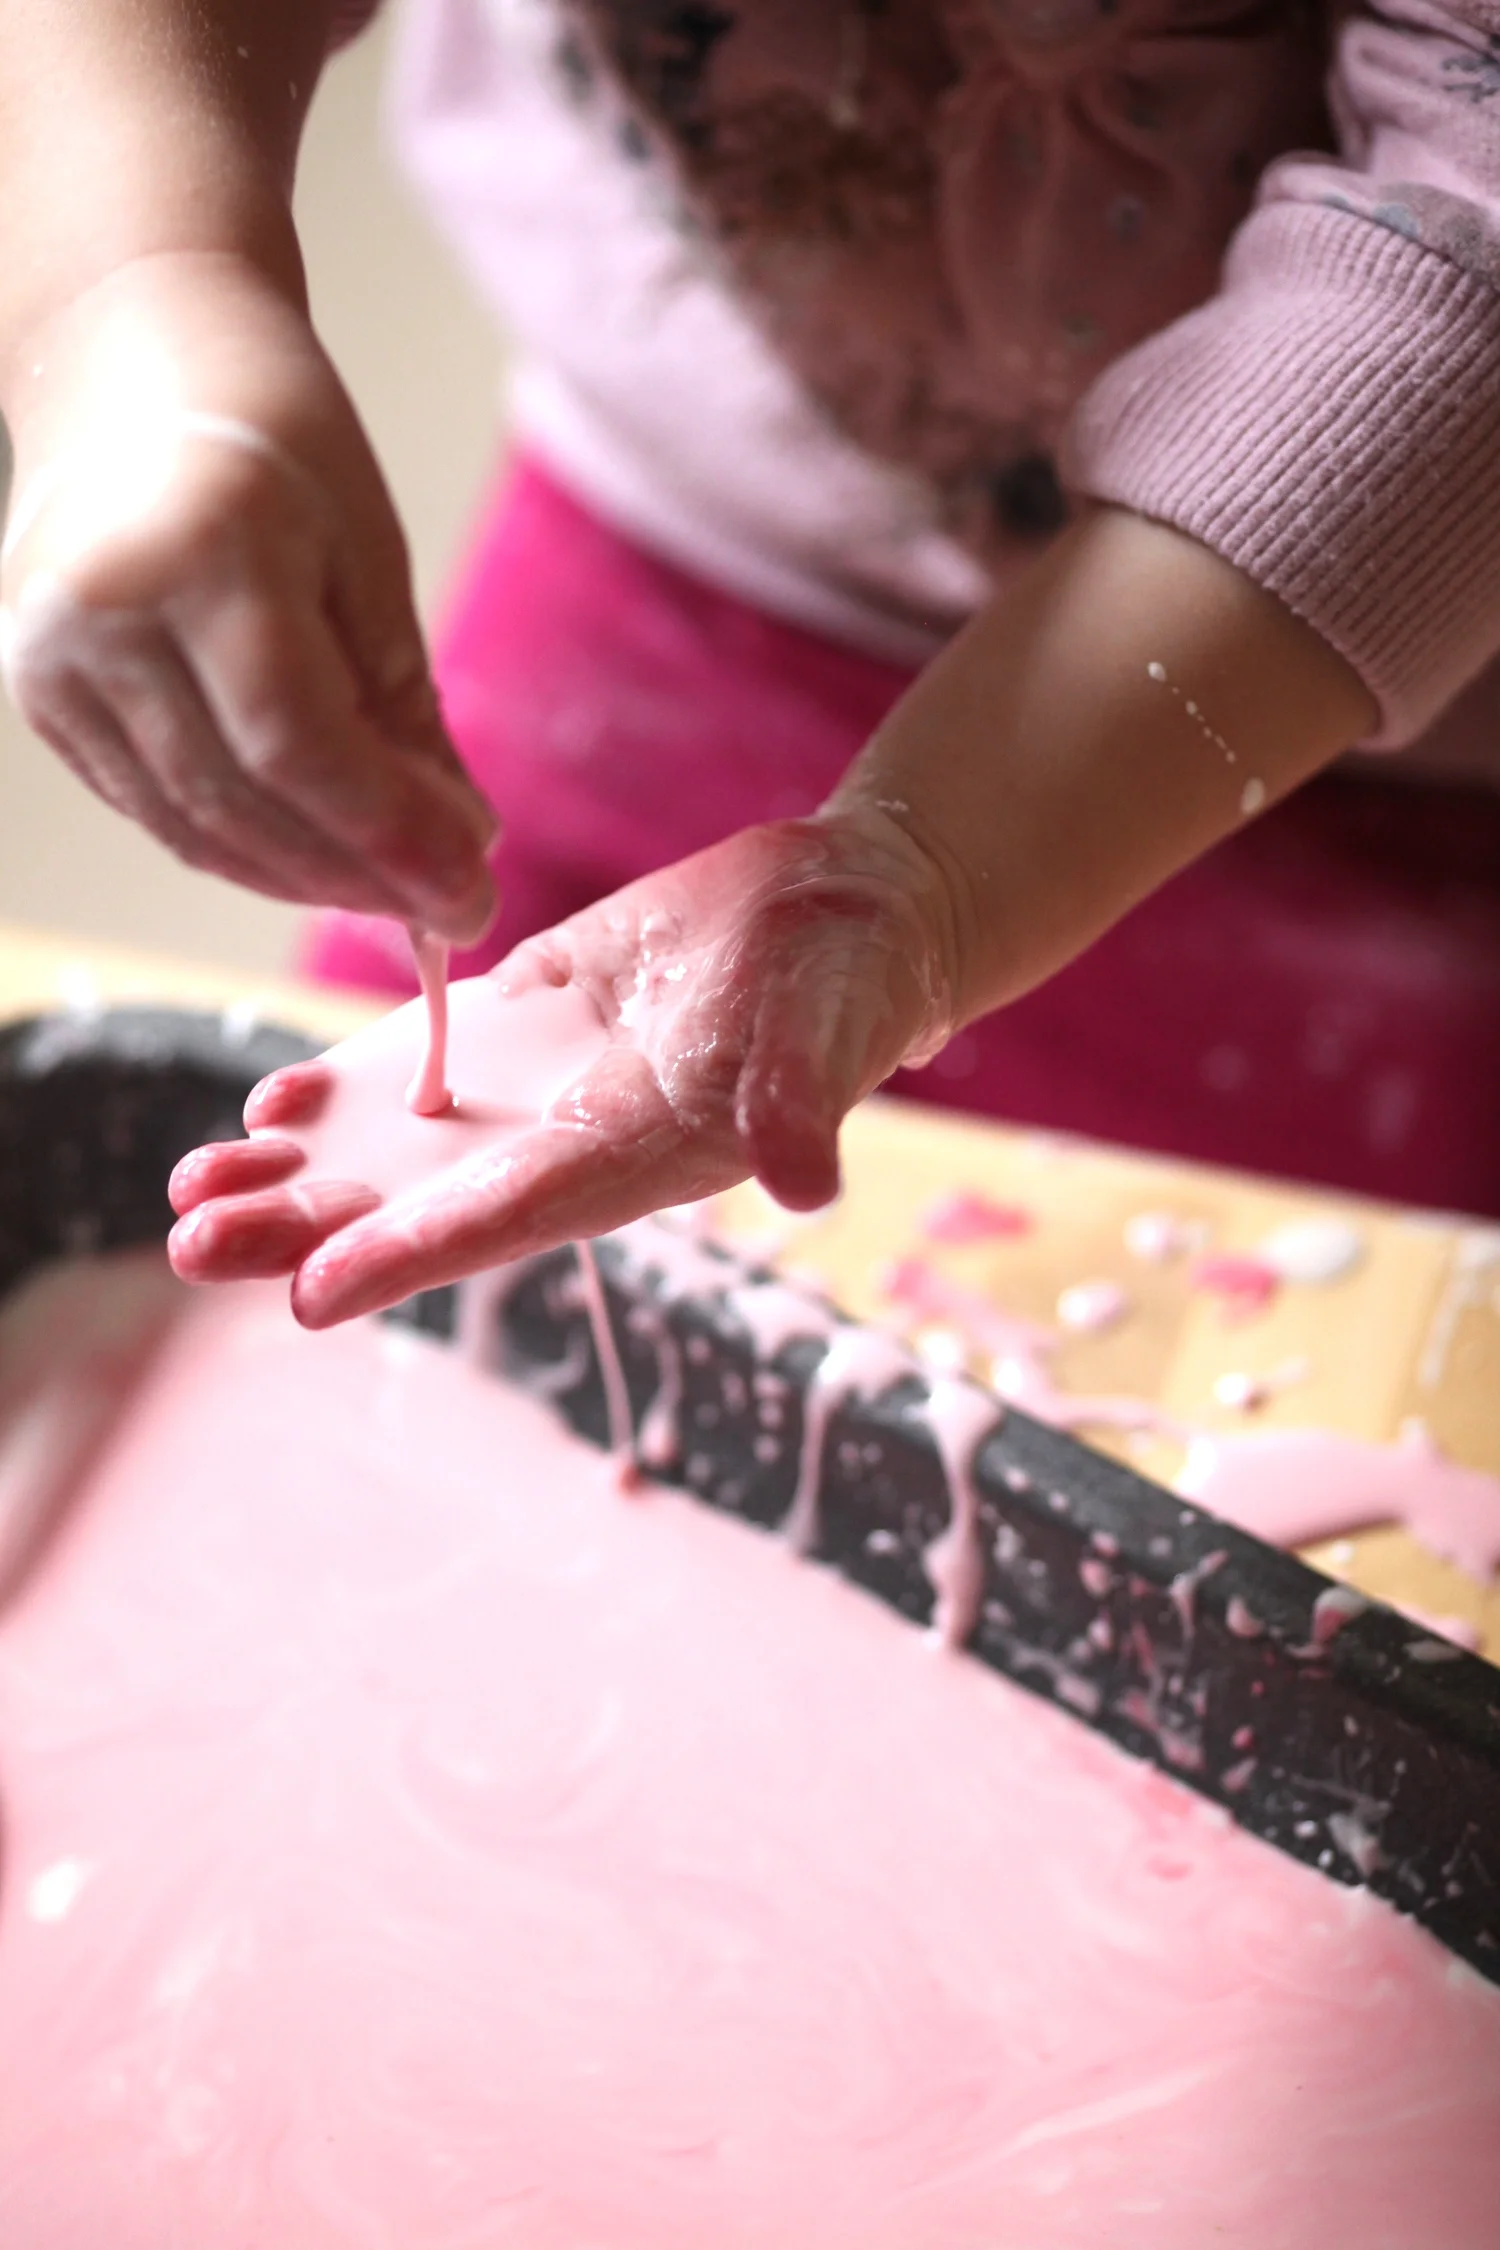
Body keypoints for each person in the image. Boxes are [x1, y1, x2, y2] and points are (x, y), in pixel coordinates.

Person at [3, 0, 1499, 1280]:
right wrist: (138, 314)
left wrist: (930, 879)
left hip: (1363, 685)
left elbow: (1466, 237)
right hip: (674, 576)